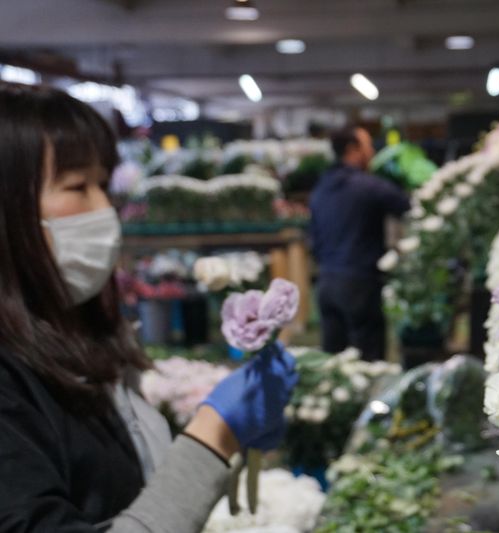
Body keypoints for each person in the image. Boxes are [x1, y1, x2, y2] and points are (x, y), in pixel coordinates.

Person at [0, 83, 297, 532]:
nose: (104, 209)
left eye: (104, 184)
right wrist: (213, 436)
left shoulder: (69, 336)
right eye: (77, 186)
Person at [310, 126, 410, 361]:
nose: (372, 152)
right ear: (352, 149)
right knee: (368, 362)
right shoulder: (368, 186)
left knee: (333, 364)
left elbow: (313, 239)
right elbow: (406, 206)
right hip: (360, 285)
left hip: (326, 284)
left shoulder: (321, 188)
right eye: (368, 146)